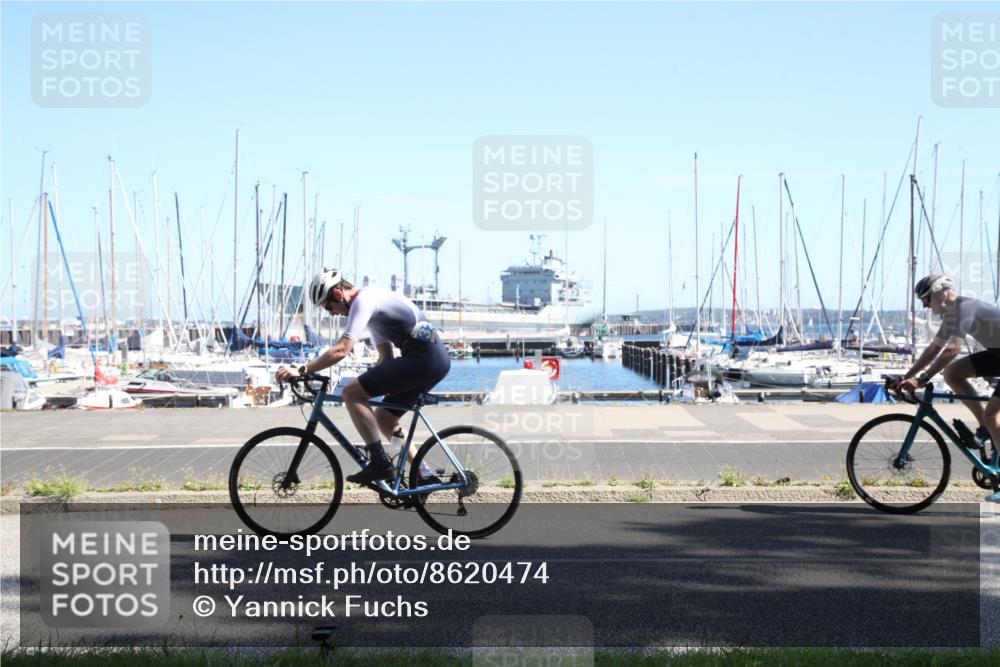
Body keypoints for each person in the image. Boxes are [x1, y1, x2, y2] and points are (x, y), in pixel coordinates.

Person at [276, 269, 451, 484]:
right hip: (428, 361)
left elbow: (341, 350)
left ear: (338, 295)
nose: (331, 313)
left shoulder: (364, 301)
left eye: (328, 307)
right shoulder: (374, 306)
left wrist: (303, 370)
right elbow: (385, 357)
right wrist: (373, 380)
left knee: (351, 392)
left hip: (423, 360)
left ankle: (380, 463)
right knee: (385, 419)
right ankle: (423, 474)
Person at [898, 274, 1000, 502]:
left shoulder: (965, 308)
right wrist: (906, 377)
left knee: (994, 416)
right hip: (998, 354)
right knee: (953, 373)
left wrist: (922, 379)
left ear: (941, 294)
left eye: (926, 299)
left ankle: (988, 422)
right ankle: (983, 424)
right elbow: (934, 349)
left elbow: (951, 350)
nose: (925, 305)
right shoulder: (952, 315)